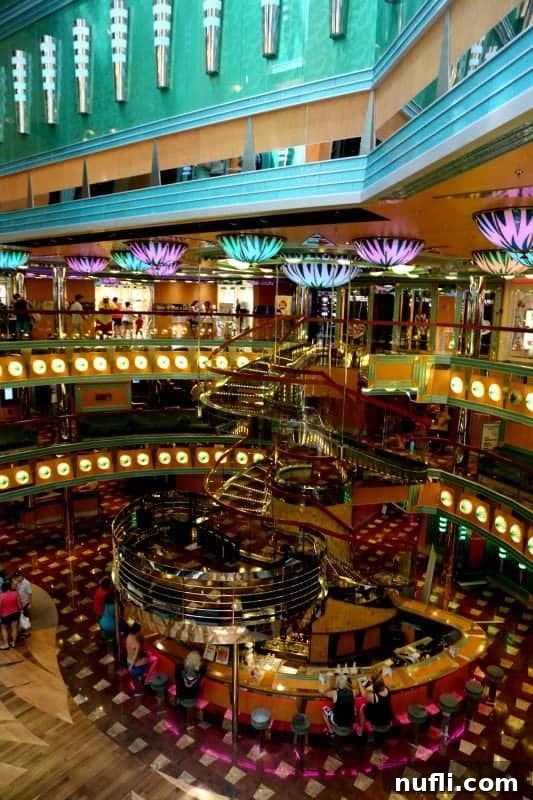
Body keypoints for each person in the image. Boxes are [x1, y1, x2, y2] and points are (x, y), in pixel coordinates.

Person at [125, 622, 150, 692]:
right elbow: (135, 657)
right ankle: (146, 679)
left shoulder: (128, 636)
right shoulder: (137, 643)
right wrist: (131, 667)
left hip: (128, 660)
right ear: (137, 631)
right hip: (135, 664)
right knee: (152, 660)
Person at [0, 578, 21, 649]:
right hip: (15, 613)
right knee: (14, 628)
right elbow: (19, 605)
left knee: (3, 628)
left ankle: (6, 644)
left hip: (5, 615)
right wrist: (20, 611)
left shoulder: (1, 596)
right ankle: (13, 643)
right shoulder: (15, 593)